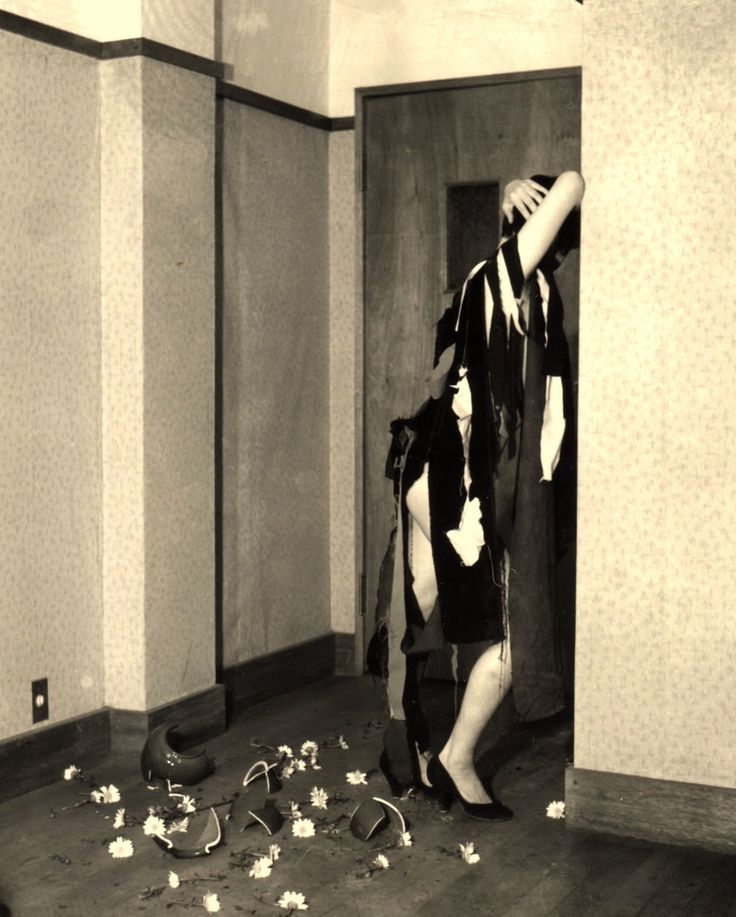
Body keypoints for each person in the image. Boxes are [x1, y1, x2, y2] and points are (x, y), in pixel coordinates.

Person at [374, 170, 585, 821]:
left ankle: (406, 744)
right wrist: (523, 186)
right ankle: (455, 757)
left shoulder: (490, 279)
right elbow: (573, 183)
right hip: (456, 488)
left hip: (435, 476)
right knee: (515, 633)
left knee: (420, 606)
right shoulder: (508, 276)